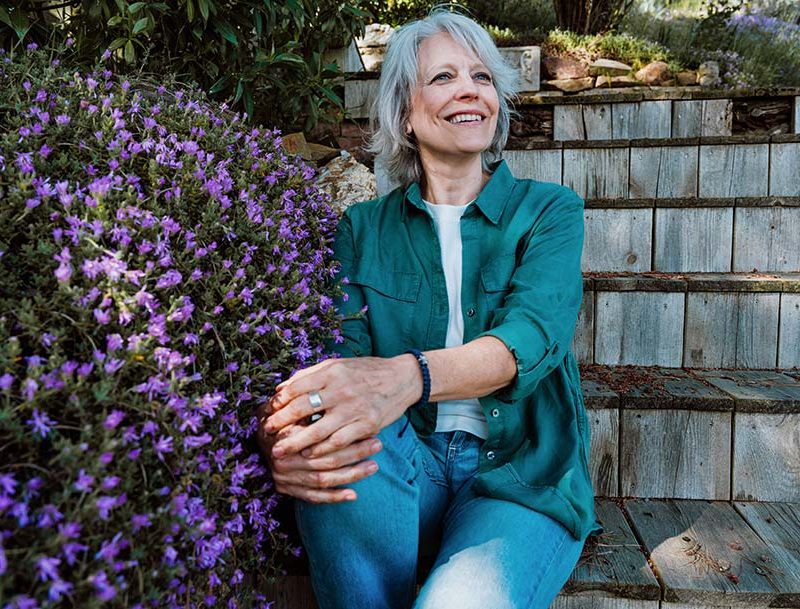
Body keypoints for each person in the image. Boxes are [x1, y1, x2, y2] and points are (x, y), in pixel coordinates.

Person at [256, 9, 601, 609]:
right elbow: (338, 368)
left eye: (482, 77)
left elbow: (531, 336)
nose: (470, 89)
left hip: (517, 474)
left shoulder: (550, 211)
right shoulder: (362, 228)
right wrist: (280, 446)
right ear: (405, 114)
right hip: (399, 464)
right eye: (444, 77)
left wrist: (408, 376)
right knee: (336, 422)